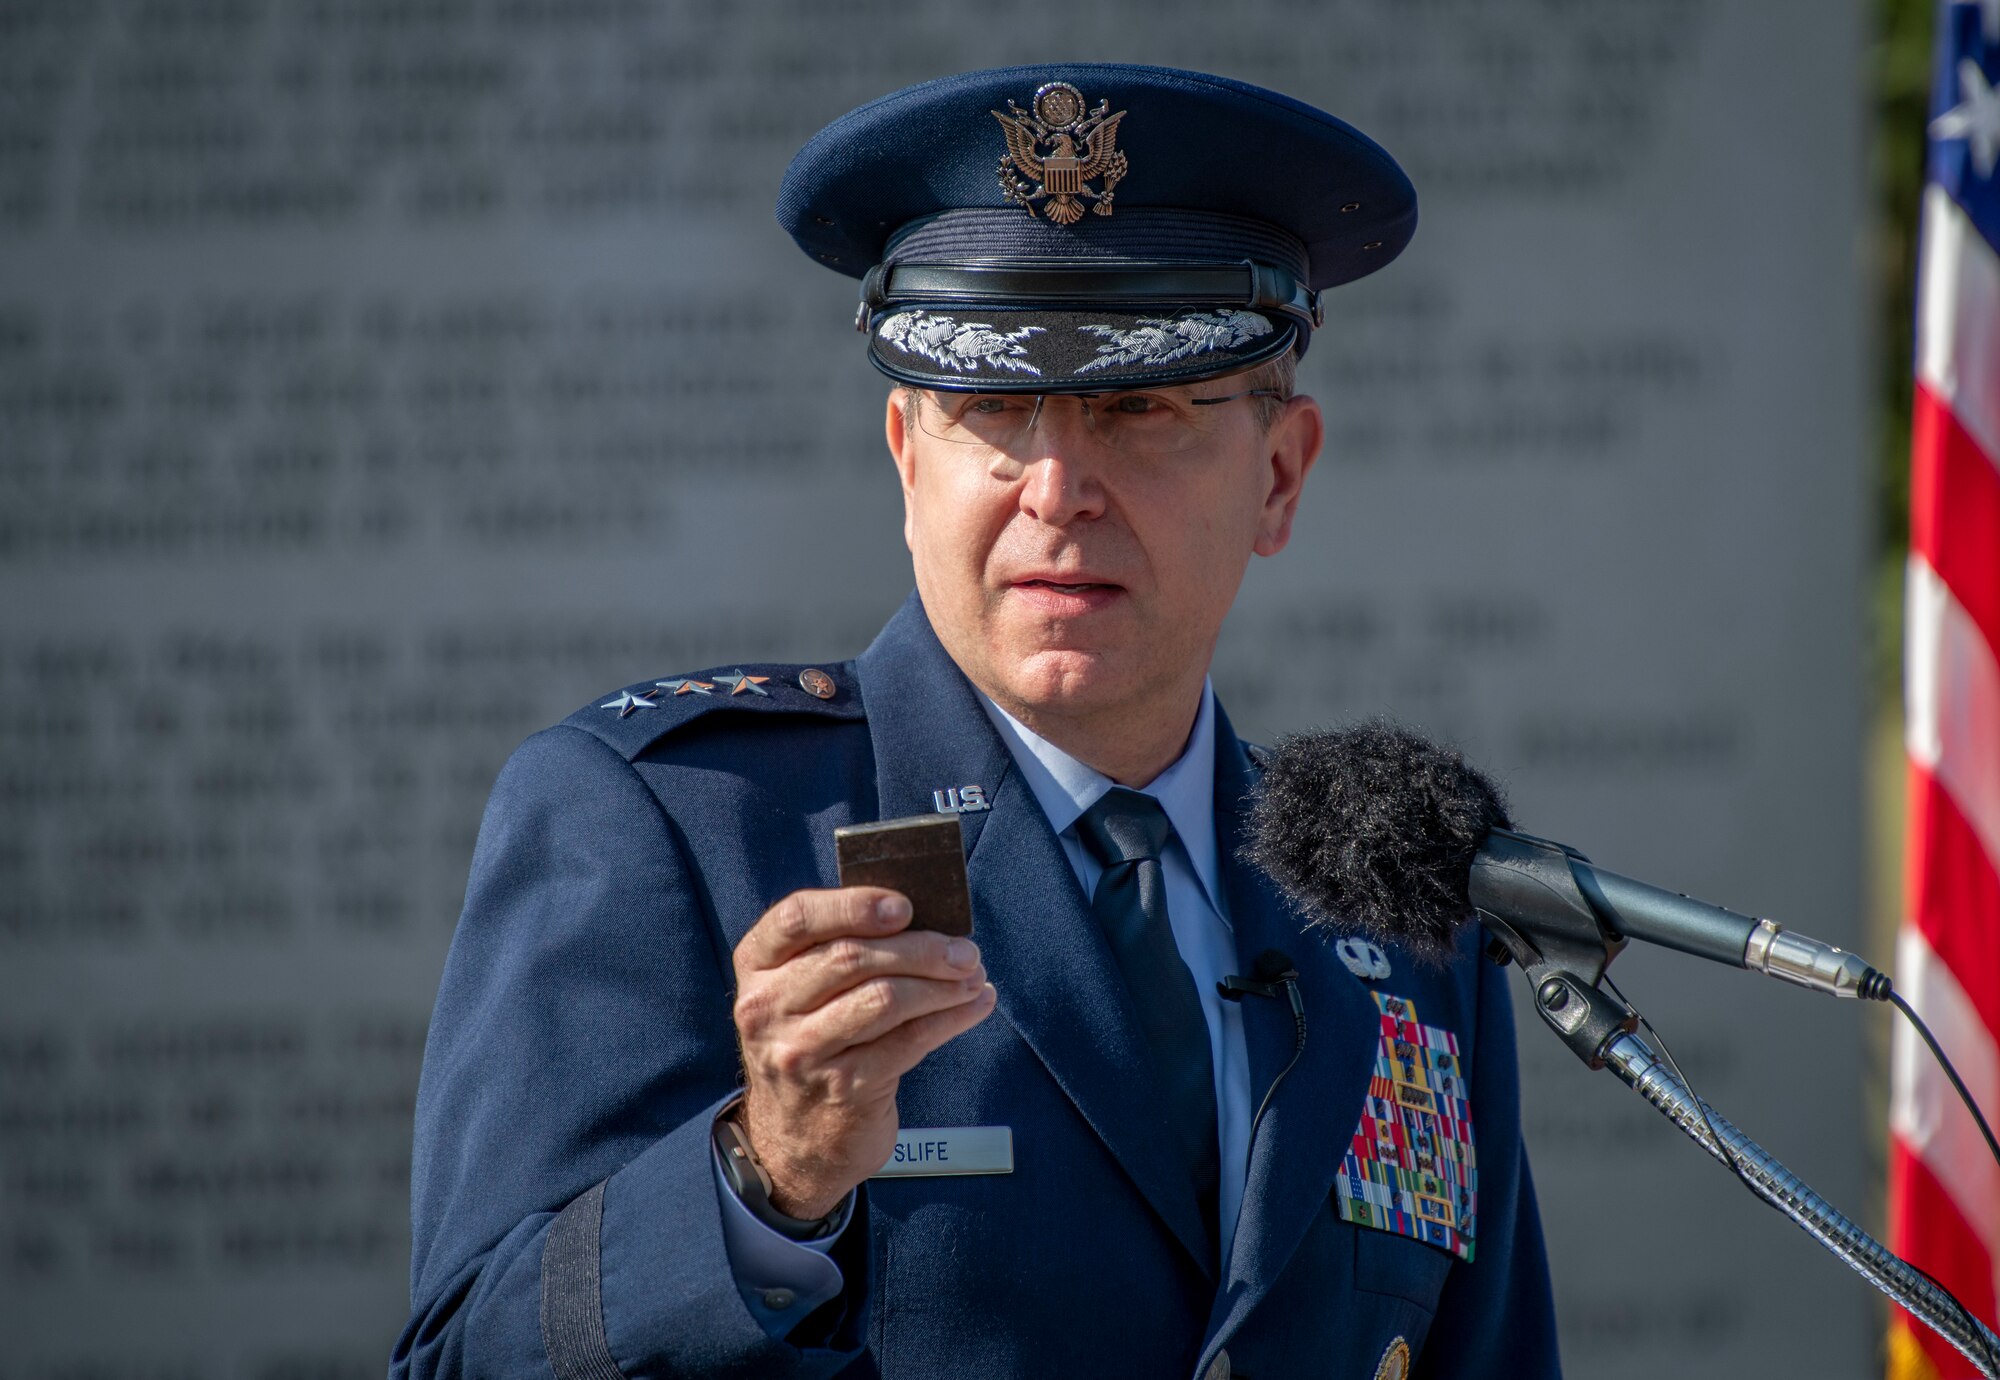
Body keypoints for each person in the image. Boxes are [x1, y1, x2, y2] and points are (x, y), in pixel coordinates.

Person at [395, 63, 1561, 1380]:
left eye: (1144, 408)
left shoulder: (1395, 908)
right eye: (993, 409)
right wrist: (760, 1182)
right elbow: (464, 1360)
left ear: (1280, 473)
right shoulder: (674, 828)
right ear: (907, 456)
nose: (1058, 489)